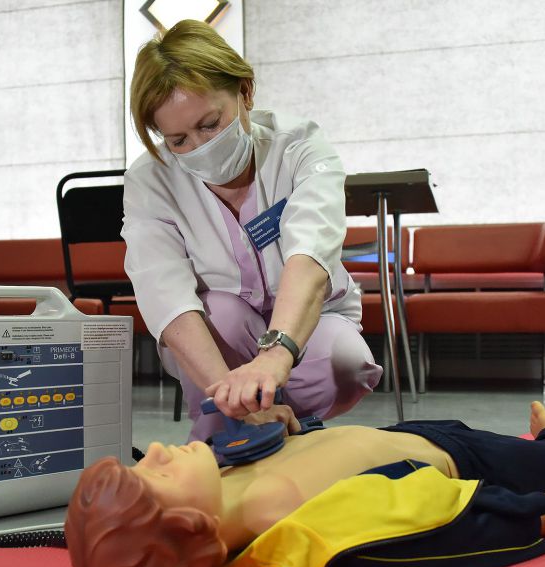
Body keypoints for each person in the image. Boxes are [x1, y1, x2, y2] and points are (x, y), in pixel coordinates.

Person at [65, 401, 545, 567]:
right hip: (459, 465)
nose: (155, 449)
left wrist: (289, 425)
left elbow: (298, 451)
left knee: (532, 452)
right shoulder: (280, 523)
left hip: (405, 432)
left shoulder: (222, 482)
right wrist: (514, 513)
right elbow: (412, 520)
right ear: (189, 525)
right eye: (155, 474)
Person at [122, 19, 382, 442]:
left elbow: (310, 255)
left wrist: (276, 356)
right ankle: (222, 430)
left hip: (311, 321)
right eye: (178, 140)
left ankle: (291, 425)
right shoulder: (150, 180)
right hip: (222, 331)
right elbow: (163, 292)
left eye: (210, 124)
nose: (200, 147)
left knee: (346, 364)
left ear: (245, 92)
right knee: (221, 314)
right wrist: (230, 398)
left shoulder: (298, 147)